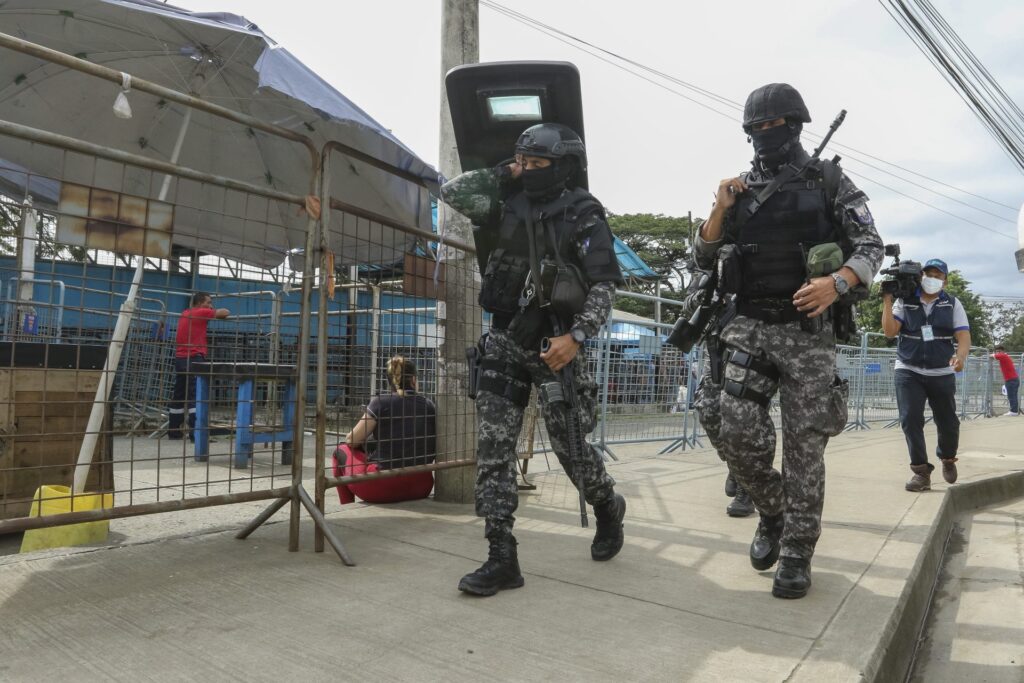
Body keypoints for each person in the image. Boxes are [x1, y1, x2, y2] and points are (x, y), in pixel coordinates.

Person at [694, 83, 883, 599]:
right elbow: (702, 257)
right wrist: (718, 207)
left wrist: (838, 281)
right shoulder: (738, 188)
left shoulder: (829, 180)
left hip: (807, 334)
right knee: (729, 425)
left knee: (805, 448)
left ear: (795, 126)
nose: (764, 135)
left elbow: (870, 245)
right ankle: (772, 510)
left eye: (773, 126)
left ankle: (798, 550)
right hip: (749, 324)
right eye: (756, 128)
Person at [441, 122, 627, 597]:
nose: (528, 171)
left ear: (562, 166)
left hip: (556, 347)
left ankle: (606, 504)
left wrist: (578, 337)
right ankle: (501, 555)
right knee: (492, 451)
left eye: (538, 164)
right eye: (523, 162)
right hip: (504, 342)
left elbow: (604, 284)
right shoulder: (506, 201)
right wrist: (511, 170)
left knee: (571, 453)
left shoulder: (584, 214)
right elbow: (454, 191)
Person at [882, 259, 971, 491]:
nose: (933, 278)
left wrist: (960, 358)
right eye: (929, 273)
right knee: (910, 419)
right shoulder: (906, 300)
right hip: (908, 368)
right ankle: (921, 472)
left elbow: (963, 337)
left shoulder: (952, 304)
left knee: (948, 422)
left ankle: (948, 458)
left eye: (938, 275)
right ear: (921, 276)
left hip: (941, 370)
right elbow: (890, 332)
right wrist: (887, 300)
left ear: (945, 280)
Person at [333, 355, 437, 504]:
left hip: (381, 487)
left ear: (389, 381)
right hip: (421, 486)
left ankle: (347, 505)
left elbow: (352, 440)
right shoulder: (429, 405)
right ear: (414, 380)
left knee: (340, 449)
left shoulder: (381, 402)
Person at [169, 292, 228, 440]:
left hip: (180, 358)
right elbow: (224, 312)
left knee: (179, 394)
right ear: (200, 303)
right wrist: (214, 311)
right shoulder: (200, 312)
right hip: (194, 358)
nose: (210, 305)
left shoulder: (185, 313)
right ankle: (196, 433)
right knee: (196, 394)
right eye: (208, 302)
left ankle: (174, 431)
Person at [991, 345, 1020, 416]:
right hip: (1012, 379)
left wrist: (991, 355)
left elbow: (993, 356)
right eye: (997, 351)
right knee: (1013, 396)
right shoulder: (1003, 357)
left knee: (1011, 396)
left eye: (999, 351)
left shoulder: (1003, 356)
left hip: (1011, 380)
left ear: (1003, 351)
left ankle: (1013, 411)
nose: (998, 353)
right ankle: (1014, 411)